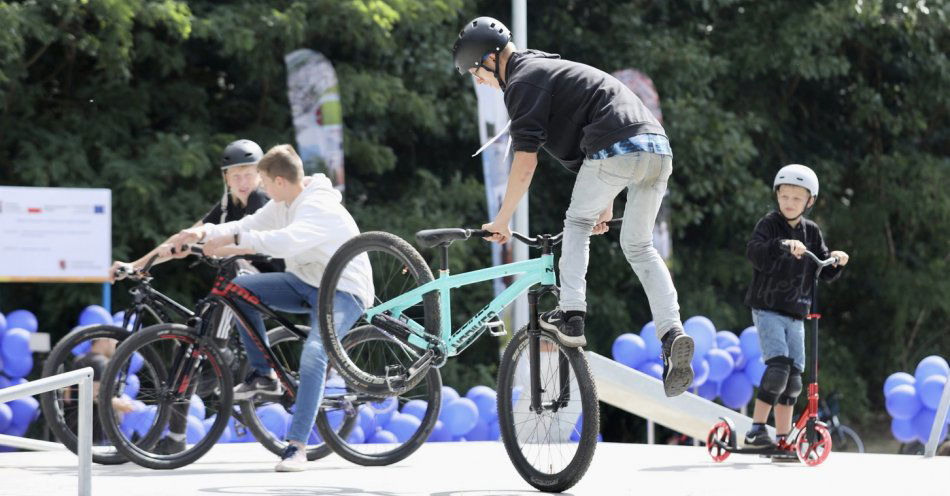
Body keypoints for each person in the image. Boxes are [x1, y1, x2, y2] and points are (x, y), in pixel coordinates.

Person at [452, 16, 694, 396]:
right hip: (657, 148)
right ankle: (672, 334)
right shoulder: (547, 68)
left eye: (474, 72)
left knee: (577, 223)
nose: (478, 81)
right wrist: (607, 203)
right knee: (639, 246)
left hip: (616, 147)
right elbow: (609, 122)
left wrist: (501, 219)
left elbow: (525, 162)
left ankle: (572, 315)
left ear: (489, 58)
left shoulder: (522, 81)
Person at [164, 144, 373, 472]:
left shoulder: (318, 206)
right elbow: (244, 225)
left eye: (261, 179)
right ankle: (263, 375)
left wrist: (232, 246)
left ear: (278, 181)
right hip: (305, 283)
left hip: (343, 291)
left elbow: (285, 241)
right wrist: (199, 233)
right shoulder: (283, 202)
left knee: (314, 354)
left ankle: (297, 446)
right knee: (238, 290)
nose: (259, 186)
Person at [743, 164, 850, 452]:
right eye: (785, 196)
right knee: (778, 367)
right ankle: (755, 430)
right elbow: (755, 253)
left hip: (797, 313)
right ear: (777, 195)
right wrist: (782, 245)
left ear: (809, 201)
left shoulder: (812, 232)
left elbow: (824, 269)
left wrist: (836, 259)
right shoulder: (769, 225)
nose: (789, 203)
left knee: (793, 381)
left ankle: (782, 437)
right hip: (768, 308)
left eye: (797, 198)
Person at [110, 139, 283, 278]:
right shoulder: (227, 204)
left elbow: (248, 248)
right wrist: (134, 266)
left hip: (273, 277)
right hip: (248, 278)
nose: (243, 183)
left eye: (248, 175)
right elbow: (185, 236)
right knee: (211, 310)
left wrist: (194, 247)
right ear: (226, 179)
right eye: (236, 176)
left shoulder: (259, 198)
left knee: (232, 269)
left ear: (260, 176)